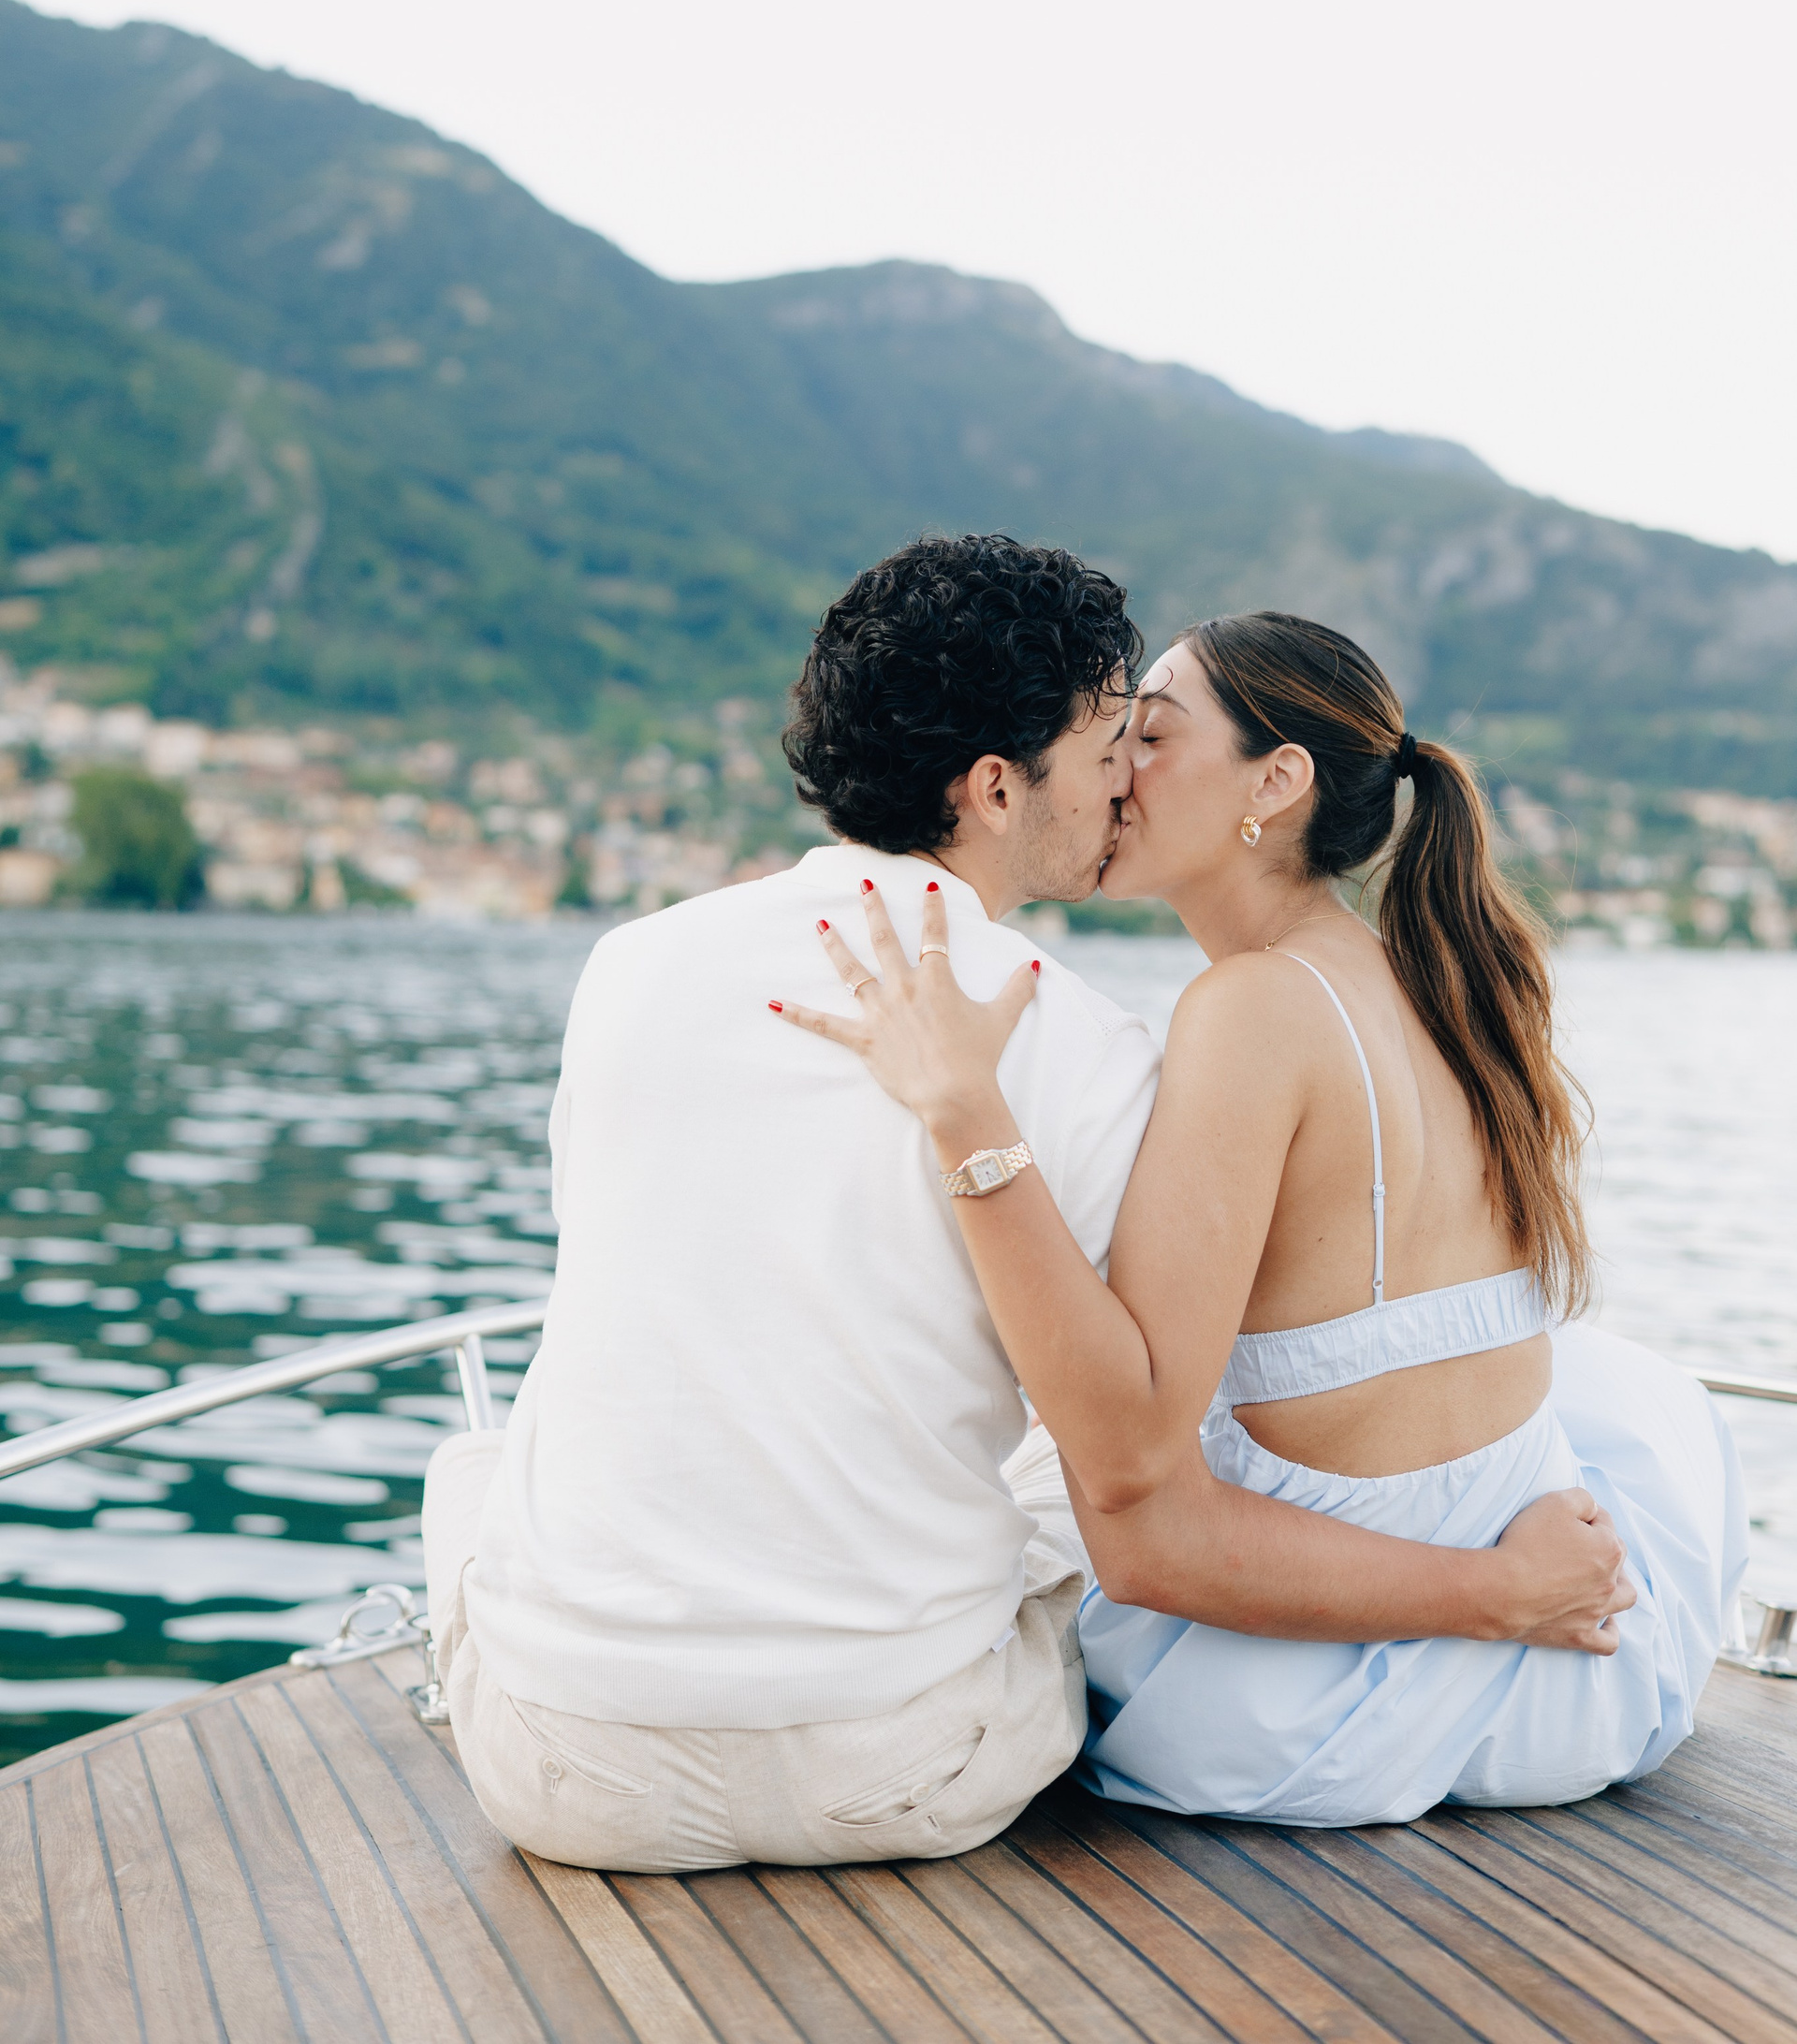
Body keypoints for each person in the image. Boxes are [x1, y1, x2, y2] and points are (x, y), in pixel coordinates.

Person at [423, 541, 1634, 1874]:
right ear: (999, 786)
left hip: (560, 1775)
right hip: (899, 1773)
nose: (1124, 776)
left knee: (477, 1465)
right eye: (1113, 741)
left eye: (1147, 738)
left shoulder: (628, 965)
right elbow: (1131, 1454)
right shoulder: (1090, 1042)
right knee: (1042, 1480)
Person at [784, 608, 1747, 1826]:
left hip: (1323, 1706)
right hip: (1580, 1686)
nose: (1116, 771)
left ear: (1276, 782)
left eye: (1153, 735)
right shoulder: (1442, 984)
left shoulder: (1250, 1011)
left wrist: (964, 1111)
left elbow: (1145, 1532)